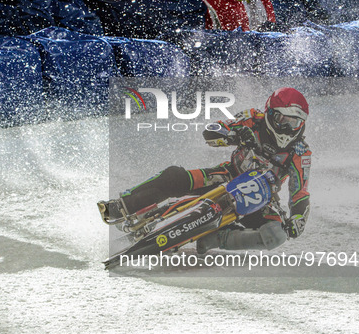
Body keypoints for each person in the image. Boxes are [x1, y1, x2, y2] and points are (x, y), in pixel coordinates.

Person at [100, 87, 311, 253]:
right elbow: (212, 130)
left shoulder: (301, 153)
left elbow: (300, 193)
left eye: (294, 122)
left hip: (261, 198)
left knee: (276, 235)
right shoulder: (252, 119)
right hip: (226, 176)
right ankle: (123, 205)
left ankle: (214, 239)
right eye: (283, 119)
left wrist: (297, 219)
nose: (287, 127)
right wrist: (234, 135)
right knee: (175, 176)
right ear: (270, 114)